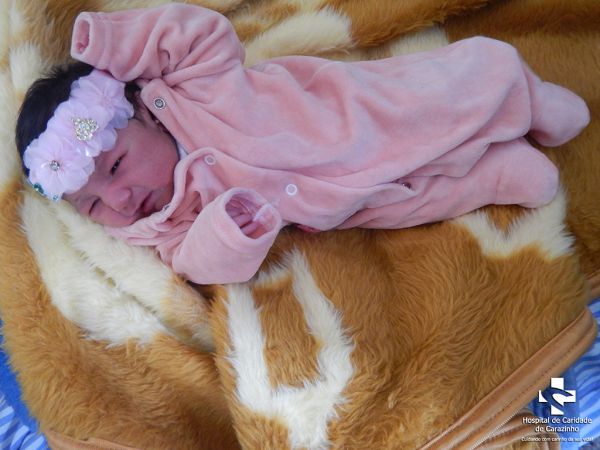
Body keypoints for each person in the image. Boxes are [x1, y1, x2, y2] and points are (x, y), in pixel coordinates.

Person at [15, 3, 590, 284]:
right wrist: (227, 232)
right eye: (92, 205)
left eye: (117, 165)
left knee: (432, 100)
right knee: (415, 200)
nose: (118, 200)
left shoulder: (191, 89)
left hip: (344, 119)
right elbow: (196, 264)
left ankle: (523, 94)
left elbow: (198, 35)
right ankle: (496, 173)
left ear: (143, 112)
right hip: (340, 204)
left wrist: (111, 43)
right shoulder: (161, 227)